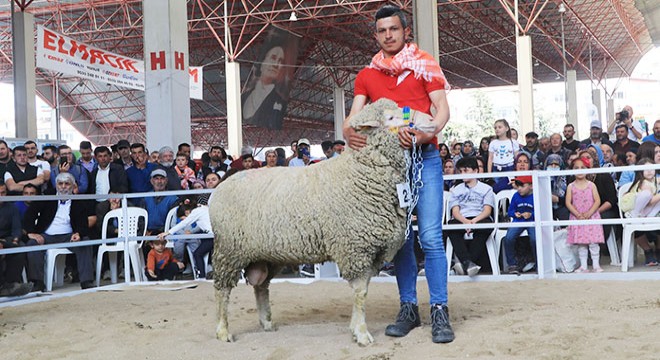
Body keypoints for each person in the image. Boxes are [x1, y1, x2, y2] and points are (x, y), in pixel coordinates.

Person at [343, 5, 454, 343]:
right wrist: (348, 132)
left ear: (406, 32)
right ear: (375, 35)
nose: (388, 35)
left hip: (426, 157)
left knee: (431, 236)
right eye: (382, 30)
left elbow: (442, 111)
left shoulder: (425, 65)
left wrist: (422, 134)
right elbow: (353, 120)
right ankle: (408, 307)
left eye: (394, 29)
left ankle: (439, 310)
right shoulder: (367, 75)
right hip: (389, 169)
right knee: (400, 238)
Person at [24, 172, 95, 291]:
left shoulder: (79, 201)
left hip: (68, 236)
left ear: (73, 186)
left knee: (85, 242)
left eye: (67, 184)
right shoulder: (47, 196)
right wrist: (31, 233)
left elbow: (83, 224)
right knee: (32, 244)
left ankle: (86, 281)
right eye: (60, 183)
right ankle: (38, 283)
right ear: (56, 185)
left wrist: (79, 233)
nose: (63, 187)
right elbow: (29, 214)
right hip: (46, 235)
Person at [444, 157, 494, 277]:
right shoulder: (456, 190)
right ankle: (468, 263)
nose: (462, 174)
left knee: (486, 226)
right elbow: (455, 212)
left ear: (476, 171)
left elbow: (487, 210)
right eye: (460, 171)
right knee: (451, 227)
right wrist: (466, 222)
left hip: (480, 217)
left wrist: (474, 221)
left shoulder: (486, 188)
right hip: (462, 218)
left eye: (466, 170)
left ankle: (464, 263)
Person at [565, 157, 605, 273]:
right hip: (577, 217)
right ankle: (583, 266)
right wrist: (577, 214)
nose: (579, 170)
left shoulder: (591, 185)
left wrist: (589, 213)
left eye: (582, 167)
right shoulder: (570, 186)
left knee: (593, 243)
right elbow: (568, 202)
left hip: (591, 216)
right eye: (576, 168)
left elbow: (597, 200)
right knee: (581, 244)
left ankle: (596, 265)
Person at [157, 200, 212, 279]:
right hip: (209, 234)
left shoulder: (196, 212)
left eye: (182, 218)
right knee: (198, 253)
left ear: (186, 213)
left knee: (198, 254)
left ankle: (202, 276)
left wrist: (168, 232)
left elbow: (184, 223)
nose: (183, 220)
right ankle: (201, 274)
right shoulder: (201, 208)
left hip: (211, 235)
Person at [242, 41, 288, 130]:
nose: (276, 65)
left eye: (280, 61)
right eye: (273, 58)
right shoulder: (243, 98)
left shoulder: (280, 101)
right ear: (262, 62)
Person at [0, 182, 33, 297]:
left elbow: (16, 228)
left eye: (3, 192)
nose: (1, 195)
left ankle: (10, 284)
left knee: (19, 249)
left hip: (7, 239)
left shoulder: (12, 207)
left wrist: (14, 241)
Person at [503, 176, 537, 274]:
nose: (519, 188)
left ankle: (538, 262)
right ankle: (512, 264)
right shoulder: (516, 196)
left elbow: (541, 211)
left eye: (522, 186)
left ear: (531, 186)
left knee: (535, 239)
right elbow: (510, 211)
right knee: (508, 238)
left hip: (533, 221)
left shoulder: (536, 196)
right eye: (518, 186)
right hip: (519, 220)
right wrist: (515, 214)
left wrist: (531, 214)